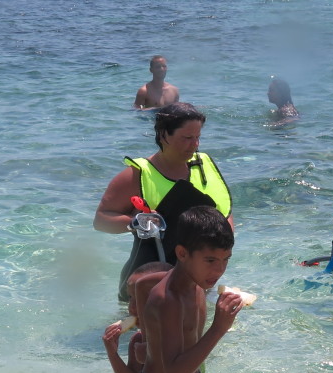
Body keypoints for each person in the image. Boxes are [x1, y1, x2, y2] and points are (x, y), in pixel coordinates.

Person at [132, 206, 240, 373]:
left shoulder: (192, 279)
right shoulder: (169, 300)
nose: (219, 270)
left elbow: (140, 283)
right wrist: (219, 328)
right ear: (182, 254)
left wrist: (148, 337)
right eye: (210, 260)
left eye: (225, 260)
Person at [95, 102, 233, 300]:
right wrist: (135, 223)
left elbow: (225, 212)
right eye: (186, 138)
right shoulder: (138, 174)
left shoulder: (204, 165)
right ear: (163, 135)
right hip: (149, 282)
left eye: (197, 137)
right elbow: (101, 220)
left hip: (200, 281)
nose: (194, 145)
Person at [103, 261, 171, 373]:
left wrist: (155, 355)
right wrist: (112, 353)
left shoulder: (181, 335)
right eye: (130, 297)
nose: (132, 308)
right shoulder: (138, 339)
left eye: (141, 298)